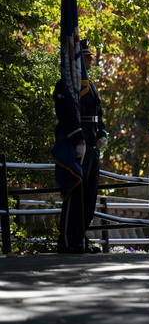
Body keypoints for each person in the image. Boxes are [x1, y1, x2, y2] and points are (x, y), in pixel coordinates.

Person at [53, 39, 108, 253]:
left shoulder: (91, 86)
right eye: (86, 57)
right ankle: (67, 241)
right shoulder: (66, 84)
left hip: (92, 148)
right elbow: (65, 114)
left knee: (89, 197)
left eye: (90, 58)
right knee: (75, 194)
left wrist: (102, 133)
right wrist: (78, 139)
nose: (90, 61)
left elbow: (98, 115)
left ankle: (80, 238)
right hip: (76, 146)